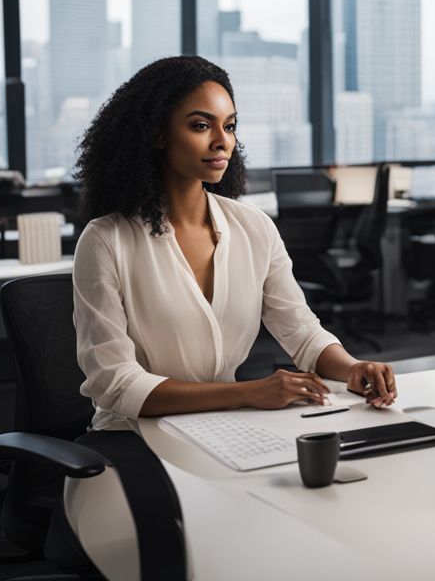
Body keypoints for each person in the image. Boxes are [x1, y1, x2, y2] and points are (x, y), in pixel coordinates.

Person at [72, 55, 397, 432]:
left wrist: (353, 367)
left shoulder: (253, 227)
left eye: (229, 126)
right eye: (200, 126)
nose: (221, 141)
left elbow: (303, 333)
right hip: (134, 440)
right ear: (157, 133)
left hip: (225, 429)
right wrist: (247, 392)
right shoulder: (106, 241)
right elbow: (116, 384)